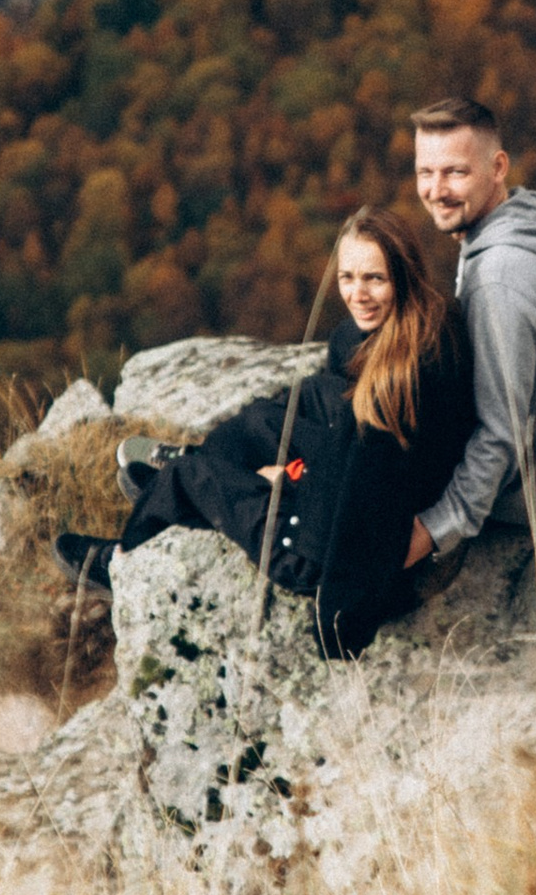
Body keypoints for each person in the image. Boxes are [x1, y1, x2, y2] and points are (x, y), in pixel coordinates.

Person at [52, 206, 474, 655]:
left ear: (404, 277)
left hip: (313, 547)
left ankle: (122, 559)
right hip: (351, 485)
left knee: (194, 479)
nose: (358, 293)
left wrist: (289, 480)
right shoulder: (392, 333)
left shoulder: (397, 388)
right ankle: (204, 473)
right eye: (348, 277)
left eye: (375, 279)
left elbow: (355, 497)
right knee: (272, 416)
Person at [407, 92, 536, 573]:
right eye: (425, 172)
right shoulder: (528, 222)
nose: (436, 190)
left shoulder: (498, 278)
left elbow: (500, 435)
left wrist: (436, 530)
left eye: (455, 172)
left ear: (497, 167)